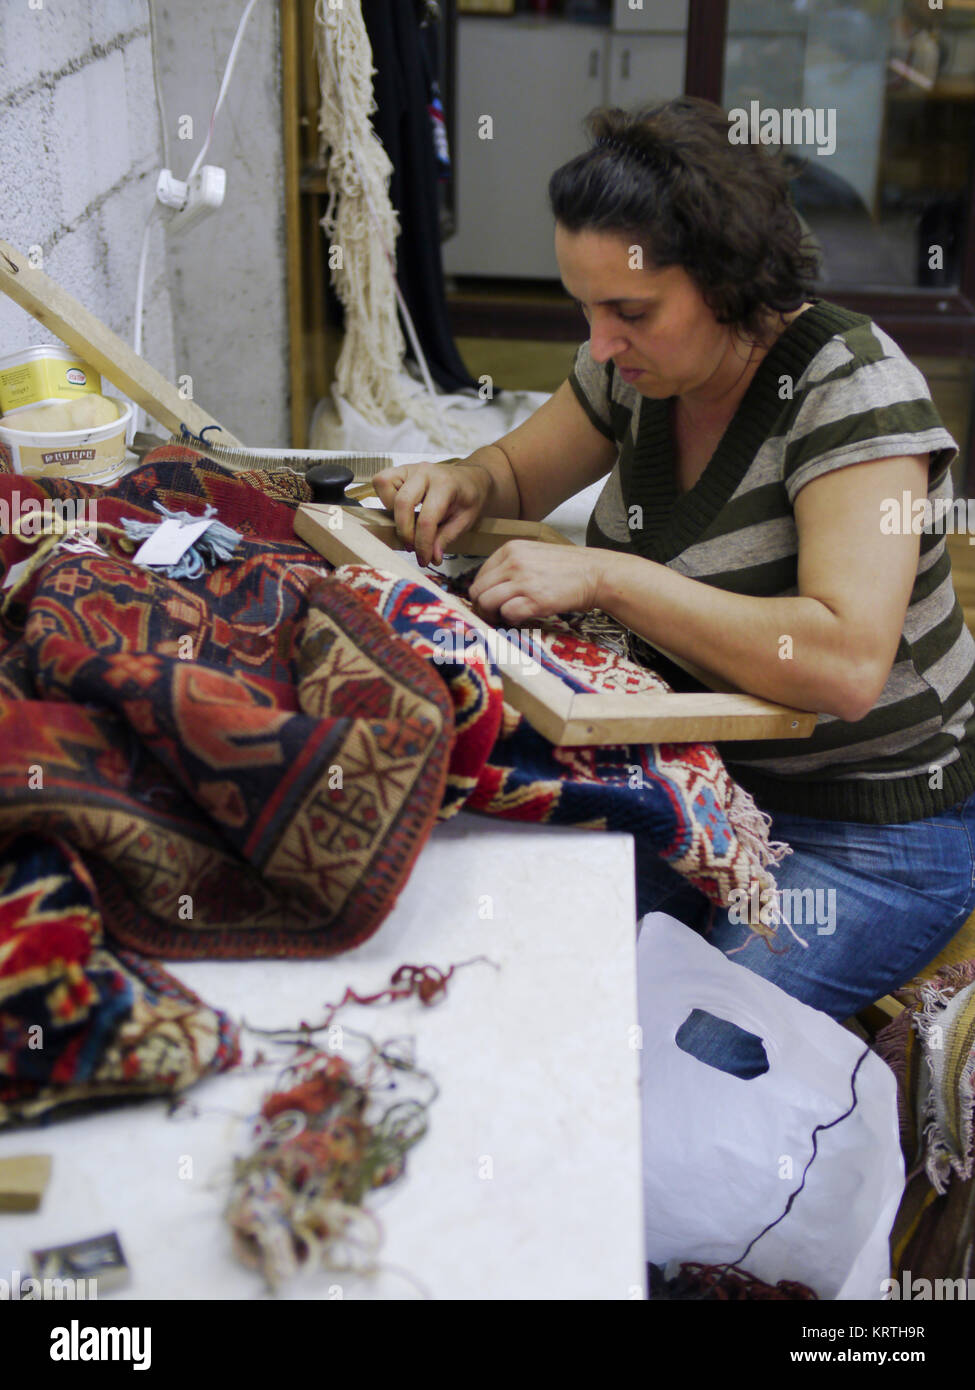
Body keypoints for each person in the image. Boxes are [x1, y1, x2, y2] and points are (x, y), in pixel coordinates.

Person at [372, 97, 974, 1077]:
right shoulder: (635, 374)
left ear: (733, 281)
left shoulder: (851, 390)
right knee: (527, 969)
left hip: (876, 832)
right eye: (586, 307)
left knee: (673, 1057)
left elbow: (847, 661)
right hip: (706, 783)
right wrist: (464, 482)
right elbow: (516, 476)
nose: (601, 341)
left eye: (631, 311)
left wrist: (610, 573)